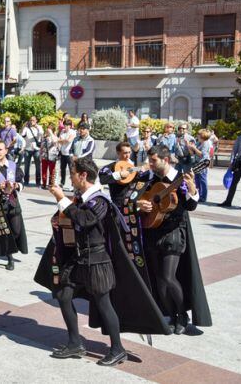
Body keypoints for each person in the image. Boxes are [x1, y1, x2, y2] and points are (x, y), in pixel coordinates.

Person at [36, 157, 168, 366]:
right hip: (79, 258)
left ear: (83, 175)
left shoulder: (99, 200)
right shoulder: (84, 198)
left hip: (97, 261)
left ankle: (117, 349)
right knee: (62, 294)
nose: (71, 179)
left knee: (104, 303)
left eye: (72, 175)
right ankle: (74, 342)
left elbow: (85, 220)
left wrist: (62, 199)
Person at [136, 145, 212, 334]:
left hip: (174, 233)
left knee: (168, 277)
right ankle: (171, 314)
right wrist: (140, 203)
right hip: (151, 231)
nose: (150, 164)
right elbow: (132, 197)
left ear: (166, 160)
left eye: (154, 161)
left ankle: (182, 314)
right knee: (158, 280)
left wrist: (193, 188)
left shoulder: (181, 178)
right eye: (149, 160)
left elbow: (190, 205)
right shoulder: (149, 178)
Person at [0, 141, 28, 271]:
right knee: (4, 231)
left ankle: (5, 249)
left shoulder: (12, 166)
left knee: (16, 230)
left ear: (6, 151)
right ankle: (9, 258)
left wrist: (16, 186)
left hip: (12, 203)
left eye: (0, 149)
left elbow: (21, 181)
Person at [98, 142, 143, 209]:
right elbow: (102, 179)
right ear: (118, 153)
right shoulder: (110, 167)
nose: (128, 155)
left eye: (129, 152)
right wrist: (119, 174)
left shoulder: (134, 167)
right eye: (125, 153)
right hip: (118, 204)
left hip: (133, 204)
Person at [20, 116, 44, 187]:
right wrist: (24, 126)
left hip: (36, 149)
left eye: (33, 120)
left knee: (38, 166)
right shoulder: (27, 128)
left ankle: (38, 182)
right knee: (26, 166)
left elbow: (41, 133)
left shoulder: (39, 127)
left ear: (36, 120)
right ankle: (26, 181)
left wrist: (36, 127)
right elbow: (22, 135)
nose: (32, 121)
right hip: (28, 149)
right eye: (30, 120)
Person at [192, 129, 213, 203]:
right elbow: (194, 152)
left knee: (203, 180)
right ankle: (198, 195)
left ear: (202, 136)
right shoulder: (199, 142)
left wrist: (194, 148)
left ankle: (203, 197)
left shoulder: (206, 143)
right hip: (197, 163)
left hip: (203, 163)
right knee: (197, 180)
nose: (197, 135)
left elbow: (202, 154)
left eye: (198, 134)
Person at [57, 120, 76, 188]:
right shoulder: (62, 131)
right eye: (65, 125)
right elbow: (58, 140)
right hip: (62, 153)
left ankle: (73, 183)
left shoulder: (72, 132)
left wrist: (62, 141)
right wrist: (62, 141)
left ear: (70, 126)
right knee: (62, 169)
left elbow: (69, 140)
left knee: (71, 169)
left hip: (69, 154)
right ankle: (62, 182)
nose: (66, 127)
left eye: (67, 125)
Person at [40, 123, 59, 189]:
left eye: (50, 129)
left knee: (52, 171)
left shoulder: (55, 137)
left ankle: (51, 184)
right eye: (47, 129)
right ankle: (44, 184)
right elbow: (41, 147)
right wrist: (40, 155)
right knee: (44, 170)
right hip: (44, 156)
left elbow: (54, 141)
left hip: (52, 156)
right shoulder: (43, 137)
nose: (48, 130)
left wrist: (51, 134)